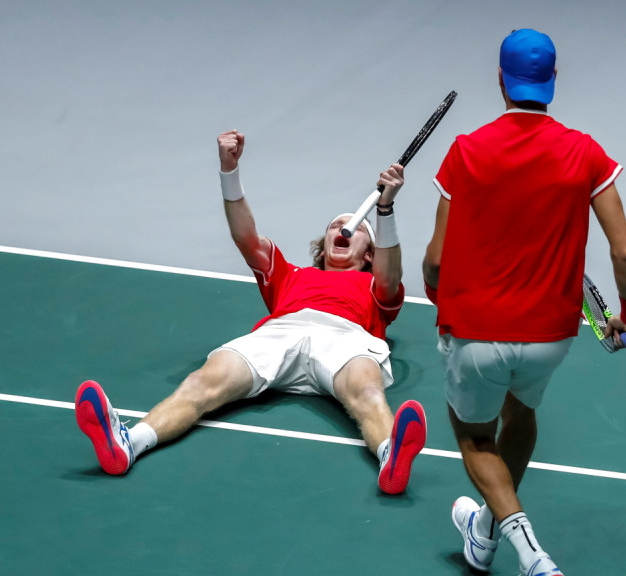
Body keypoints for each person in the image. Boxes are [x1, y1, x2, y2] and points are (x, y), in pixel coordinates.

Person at [422, 29, 626, 576]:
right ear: (551, 84)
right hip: (551, 337)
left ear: (501, 80)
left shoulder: (466, 151)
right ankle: (486, 536)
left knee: (473, 437)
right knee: (521, 414)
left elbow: (437, 261)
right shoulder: (585, 152)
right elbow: (624, 253)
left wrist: (441, 304)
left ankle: (533, 558)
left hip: (476, 333)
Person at [75, 129, 427, 495]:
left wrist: (384, 210)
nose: (342, 228)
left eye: (353, 228)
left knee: (366, 392)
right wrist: (229, 171)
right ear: (323, 244)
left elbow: (391, 275)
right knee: (202, 383)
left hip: (347, 336)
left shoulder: (374, 287)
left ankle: (390, 455)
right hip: (278, 334)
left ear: (369, 253)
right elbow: (246, 239)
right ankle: (129, 443)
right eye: (334, 226)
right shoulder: (290, 276)